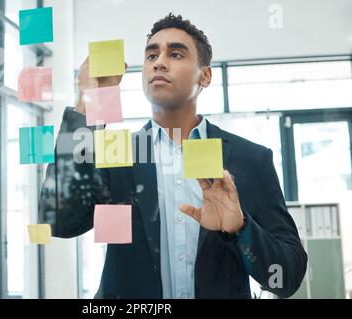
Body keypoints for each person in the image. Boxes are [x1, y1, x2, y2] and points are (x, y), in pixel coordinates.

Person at [39, 13, 307, 299]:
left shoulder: (250, 160)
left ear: (205, 75)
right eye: (151, 55)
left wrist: (240, 228)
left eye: (175, 54)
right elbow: (58, 221)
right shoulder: (114, 155)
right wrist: (87, 105)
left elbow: (285, 278)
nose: (159, 62)